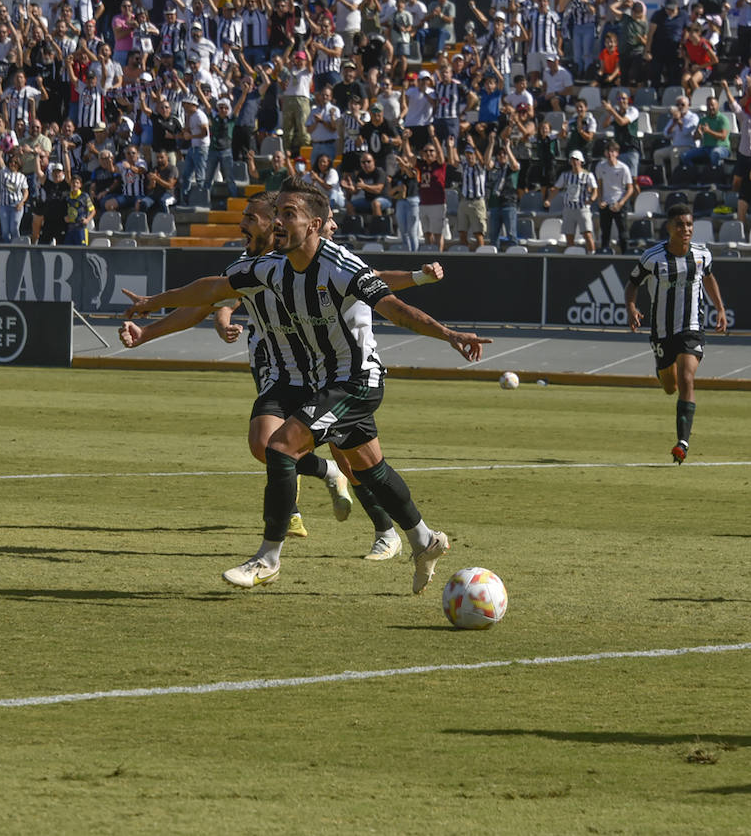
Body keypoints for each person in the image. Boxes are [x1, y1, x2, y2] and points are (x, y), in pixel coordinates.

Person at [124, 179, 487, 587]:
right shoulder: (271, 266)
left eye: (288, 214)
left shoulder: (341, 266)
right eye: (276, 213)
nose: (278, 221)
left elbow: (395, 309)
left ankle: (268, 558)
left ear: (315, 224)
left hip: (356, 380)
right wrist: (153, 303)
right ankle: (424, 540)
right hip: (319, 381)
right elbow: (212, 288)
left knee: (280, 446)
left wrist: (450, 334)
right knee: (370, 469)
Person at [624, 203, 728, 464]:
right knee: (670, 386)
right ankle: (663, 374)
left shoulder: (702, 255)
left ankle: (683, 442)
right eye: (680, 224)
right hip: (661, 331)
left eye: (689, 224)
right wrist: (631, 308)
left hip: (692, 327)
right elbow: (632, 284)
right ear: (669, 227)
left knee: (686, 377)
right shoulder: (653, 257)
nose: (686, 229)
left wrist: (720, 308)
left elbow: (709, 277)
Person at [549, 149, 597, 253]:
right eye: (572, 160)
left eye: (576, 159)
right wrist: (549, 200)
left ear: (581, 161)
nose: (574, 162)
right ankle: (572, 255)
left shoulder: (588, 175)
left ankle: (592, 255)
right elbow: (557, 188)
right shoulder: (565, 175)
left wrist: (592, 199)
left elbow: (595, 190)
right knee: (569, 236)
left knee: (587, 234)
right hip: (569, 208)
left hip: (583, 208)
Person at [594, 140, 635, 253]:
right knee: (605, 233)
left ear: (617, 153)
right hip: (606, 203)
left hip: (619, 202)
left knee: (623, 233)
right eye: (608, 151)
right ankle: (604, 254)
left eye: (613, 151)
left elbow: (630, 188)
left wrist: (621, 203)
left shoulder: (623, 168)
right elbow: (600, 185)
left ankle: (625, 256)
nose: (610, 154)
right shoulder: (600, 166)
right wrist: (600, 200)